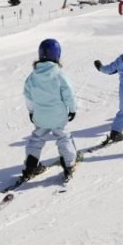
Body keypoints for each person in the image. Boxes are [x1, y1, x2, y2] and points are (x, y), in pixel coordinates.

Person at [21, 39, 78, 182]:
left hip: (40, 116)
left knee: (37, 139)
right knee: (63, 137)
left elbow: (29, 97)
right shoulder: (59, 74)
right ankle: (69, 164)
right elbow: (68, 93)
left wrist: (32, 111)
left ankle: (31, 164)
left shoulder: (32, 77)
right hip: (58, 116)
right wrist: (72, 109)